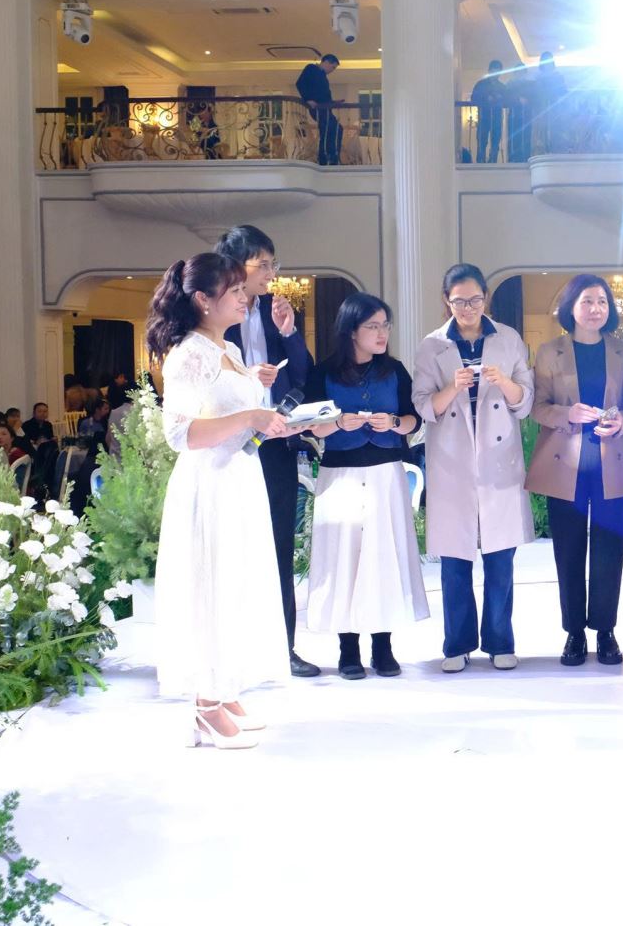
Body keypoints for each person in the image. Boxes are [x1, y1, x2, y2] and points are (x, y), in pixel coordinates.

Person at [148, 252, 297, 750]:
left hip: (238, 477)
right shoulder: (189, 353)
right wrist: (251, 418)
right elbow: (180, 434)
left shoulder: (227, 347)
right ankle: (205, 705)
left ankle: (224, 688)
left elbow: (237, 416)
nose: (244, 297)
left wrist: (269, 422)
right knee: (211, 584)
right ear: (202, 299)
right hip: (208, 484)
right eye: (233, 290)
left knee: (237, 584)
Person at [413, 264, 535, 673]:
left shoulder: (508, 339)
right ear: (446, 300)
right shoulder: (432, 345)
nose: (468, 308)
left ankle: (500, 641)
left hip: (499, 461)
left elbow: (525, 401)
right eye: (459, 301)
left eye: (475, 300)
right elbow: (423, 405)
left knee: (500, 560)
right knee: (455, 562)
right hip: (452, 462)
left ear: (486, 298)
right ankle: (457, 644)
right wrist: (454, 386)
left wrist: (503, 382)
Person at [302, 292, 427, 680]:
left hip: (386, 473)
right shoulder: (323, 373)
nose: (382, 333)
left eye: (385, 325)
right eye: (373, 326)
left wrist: (394, 424)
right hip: (339, 473)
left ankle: (383, 646)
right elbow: (310, 426)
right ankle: (348, 649)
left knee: (383, 556)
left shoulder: (395, 370)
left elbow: (414, 419)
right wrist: (339, 423)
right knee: (345, 559)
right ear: (351, 330)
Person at [216, 225, 320, 678]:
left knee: (278, 545)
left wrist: (291, 333)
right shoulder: (213, 313)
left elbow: (304, 377)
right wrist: (245, 379)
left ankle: (284, 650)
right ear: (236, 265)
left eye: (274, 264)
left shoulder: (276, 309)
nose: (272, 274)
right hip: (228, 449)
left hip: (275, 446)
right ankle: (231, 654)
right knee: (232, 549)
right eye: (264, 264)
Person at [526, 274, 623, 666]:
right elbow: (537, 407)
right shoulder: (550, 352)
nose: (596, 309)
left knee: (611, 548)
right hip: (566, 464)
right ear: (571, 307)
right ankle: (574, 632)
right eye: (587, 301)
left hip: (612, 462)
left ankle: (606, 630)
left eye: (602, 302)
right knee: (569, 550)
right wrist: (567, 414)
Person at [296, 53, 342, 166]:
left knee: (335, 129)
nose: (332, 70)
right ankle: (326, 158)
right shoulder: (311, 68)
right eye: (333, 67)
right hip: (318, 108)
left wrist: (333, 102)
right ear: (326, 62)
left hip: (325, 108)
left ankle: (331, 156)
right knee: (328, 129)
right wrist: (308, 99)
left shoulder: (323, 76)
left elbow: (324, 95)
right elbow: (300, 83)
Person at [471, 60, 508, 164]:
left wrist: (500, 98)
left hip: (497, 117)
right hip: (484, 117)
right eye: (494, 70)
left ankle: (493, 161)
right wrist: (486, 98)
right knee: (482, 140)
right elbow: (474, 98)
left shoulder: (502, 87)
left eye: (498, 71)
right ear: (489, 71)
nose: (496, 73)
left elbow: (508, 100)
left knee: (495, 140)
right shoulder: (481, 85)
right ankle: (480, 161)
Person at [534, 51, 567, 154]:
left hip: (554, 107)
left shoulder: (558, 76)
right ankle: (543, 151)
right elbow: (535, 93)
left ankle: (555, 151)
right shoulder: (537, 77)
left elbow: (563, 91)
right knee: (541, 130)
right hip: (541, 108)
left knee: (555, 129)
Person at [506, 63, 534, 162]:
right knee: (514, 138)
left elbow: (534, 98)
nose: (520, 74)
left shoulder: (530, 84)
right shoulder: (510, 84)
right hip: (514, 116)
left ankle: (526, 159)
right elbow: (506, 98)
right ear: (515, 73)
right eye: (518, 72)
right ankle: (513, 160)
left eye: (522, 72)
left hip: (526, 115)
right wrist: (518, 99)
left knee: (526, 137)